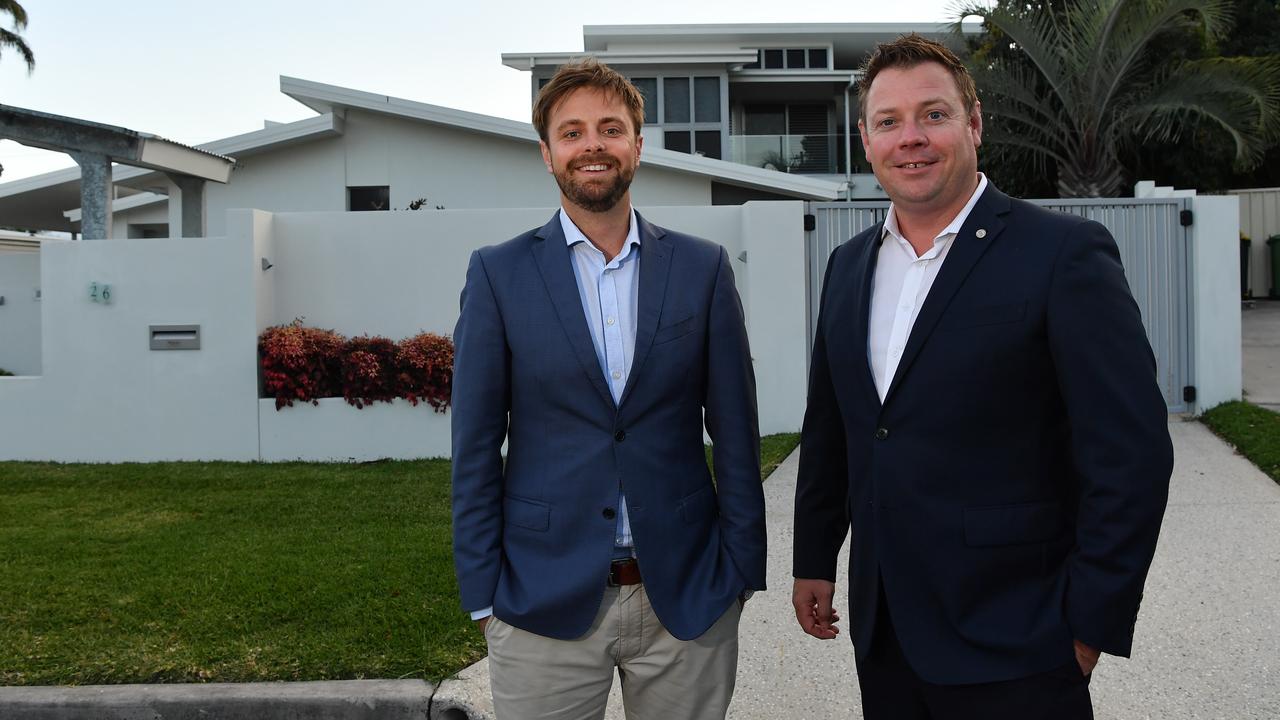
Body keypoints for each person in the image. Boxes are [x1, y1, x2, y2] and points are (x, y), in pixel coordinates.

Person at [791, 34, 1173, 719]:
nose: (911, 138)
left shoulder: (1062, 255)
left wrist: (1087, 628)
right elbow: (835, 427)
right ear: (866, 139)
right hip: (886, 639)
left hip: (1021, 640)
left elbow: (1131, 454)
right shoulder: (848, 266)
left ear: (974, 124)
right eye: (889, 122)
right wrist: (815, 556)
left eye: (933, 115)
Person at [451, 57, 766, 720]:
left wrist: (740, 572)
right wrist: (483, 595)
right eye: (572, 132)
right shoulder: (499, 275)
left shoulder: (701, 268)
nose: (592, 144)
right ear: (547, 153)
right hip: (542, 598)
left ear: (637, 146)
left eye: (609, 128)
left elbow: (736, 433)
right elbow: (475, 447)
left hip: (685, 598)